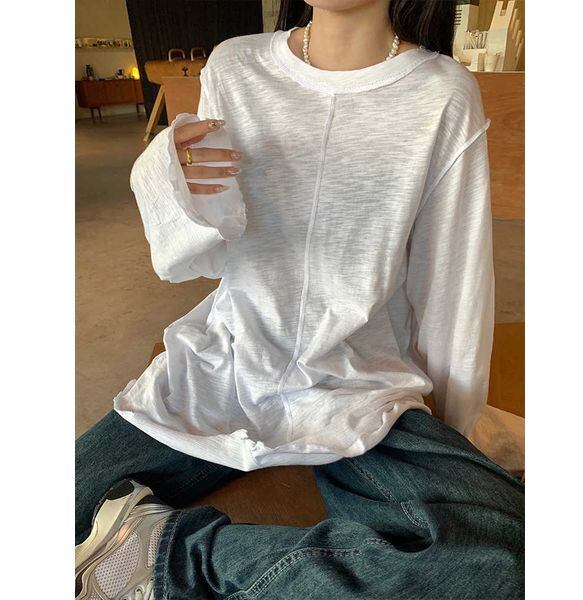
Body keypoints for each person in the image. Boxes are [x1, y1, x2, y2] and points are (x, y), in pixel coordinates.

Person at [76, 1, 524, 598]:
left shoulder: (442, 92)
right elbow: (201, 256)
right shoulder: (234, 66)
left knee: (504, 559)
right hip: (226, 365)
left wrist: (454, 432)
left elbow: (451, 283)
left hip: (362, 387)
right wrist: (171, 180)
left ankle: (165, 557)